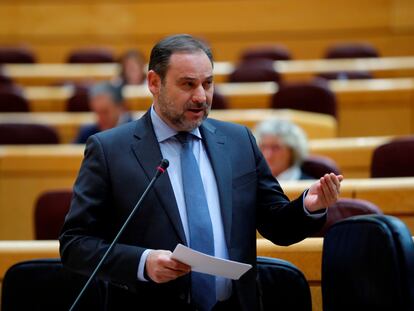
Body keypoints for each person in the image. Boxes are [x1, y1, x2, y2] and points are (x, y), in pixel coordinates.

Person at [60, 34, 343, 311]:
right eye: (187, 84)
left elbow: (276, 225)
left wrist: (309, 205)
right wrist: (142, 262)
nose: (200, 96)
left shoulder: (238, 141)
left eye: (207, 84)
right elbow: (76, 244)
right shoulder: (111, 150)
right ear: (154, 83)